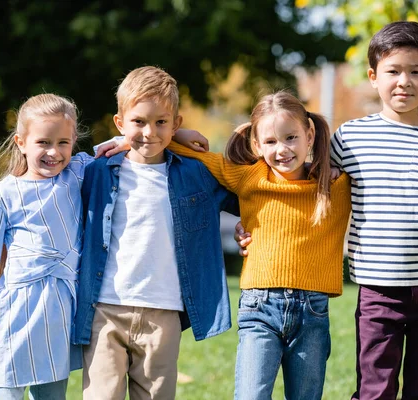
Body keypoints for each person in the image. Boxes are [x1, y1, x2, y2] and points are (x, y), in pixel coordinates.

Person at [102, 89, 353, 400]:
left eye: (291, 138)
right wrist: (142, 136)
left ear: (310, 134)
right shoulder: (248, 177)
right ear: (257, 145)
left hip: (313, 313)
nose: (282, 149)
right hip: (260, 308)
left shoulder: (336, 185)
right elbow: (187, 151)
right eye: (271, 142)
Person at [72, 66, 239, 400]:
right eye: (138, 122)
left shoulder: (195, 173)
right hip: (105, 309)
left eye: (162, 122)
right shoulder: (98, 171)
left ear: (176, 123)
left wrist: (180, 140)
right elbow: (60, 167)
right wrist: (118, 143)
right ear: (120, 123)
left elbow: (243, 188)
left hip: (163, 312)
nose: (149, 132)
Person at [331, 21, 418, 400]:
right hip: (377, 293)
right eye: (393, 71)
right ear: (373, 76)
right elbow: (301, 180)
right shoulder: (347, 138)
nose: (404, 81)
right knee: (374, 390)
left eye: (416, 71)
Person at [0, 93, 92, 399]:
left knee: (52, 392)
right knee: (7, 389)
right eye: (43, 142)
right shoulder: (2, 196)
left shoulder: (77, 174)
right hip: (18, 309)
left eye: (63, 143)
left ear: (74, 142)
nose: (53, 152)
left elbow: (125, 143)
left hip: (61, 308)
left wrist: (180, 134)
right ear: (21, 142)